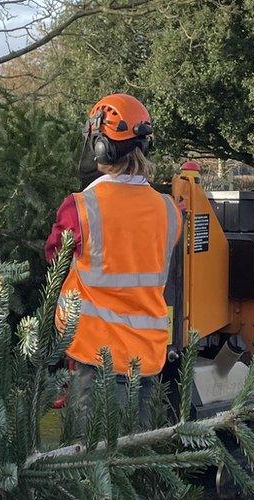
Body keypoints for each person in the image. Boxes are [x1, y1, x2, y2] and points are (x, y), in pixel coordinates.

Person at [46, 93, 181, 429]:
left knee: (89, 464)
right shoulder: (169, 210)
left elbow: (54, 258)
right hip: (147, 360)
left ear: (101, 148)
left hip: (94, 356)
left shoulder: (80, 207)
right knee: (136, 460)